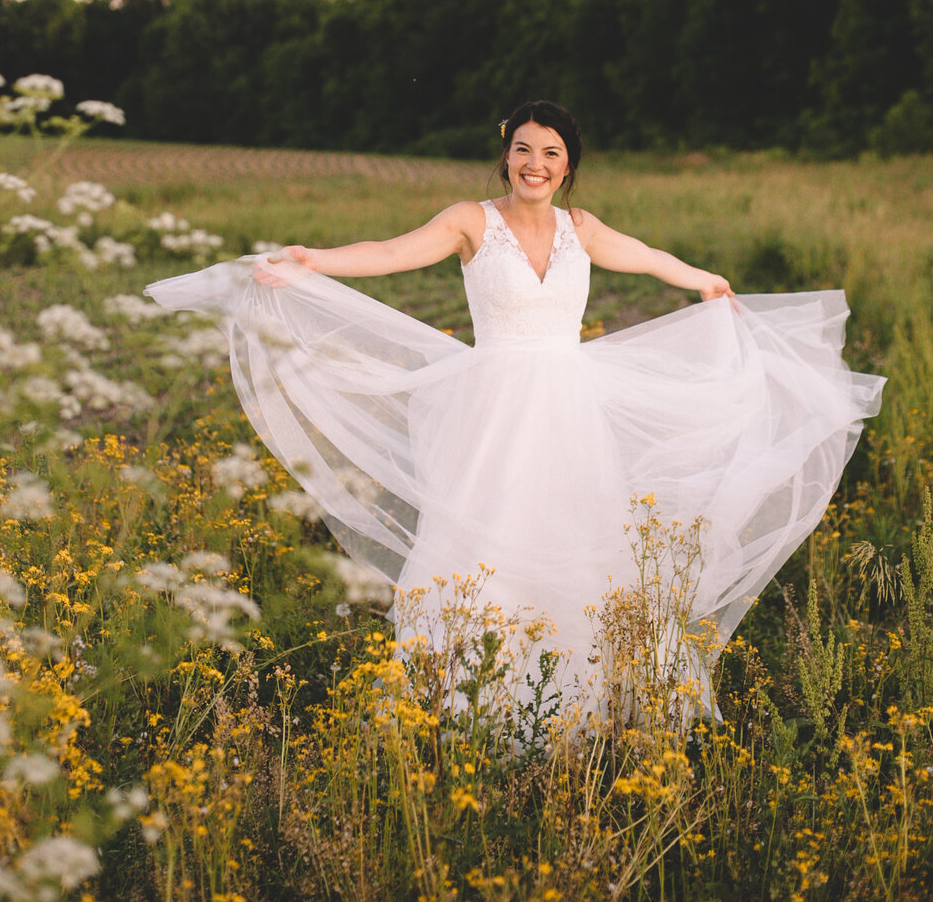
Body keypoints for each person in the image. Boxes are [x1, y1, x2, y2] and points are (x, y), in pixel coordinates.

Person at [145, 100, 884, 710]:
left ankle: (582, 702)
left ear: (569, 166)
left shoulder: (581, 228)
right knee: (487, 541)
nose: (536, 164)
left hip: (570, 404)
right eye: (525, 150)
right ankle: (474, 699)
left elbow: (648, 258)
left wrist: (704, 280)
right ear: (507, 157)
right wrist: (315, 260)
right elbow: (392, 251)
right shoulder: (471, 219)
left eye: (552, 153)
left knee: (580, 539)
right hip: (495, 406)